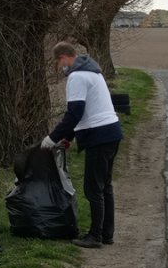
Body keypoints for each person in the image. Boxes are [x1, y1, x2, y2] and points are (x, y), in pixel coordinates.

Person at [42, 41, 123, 248]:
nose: (61, 69)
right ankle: (107, 233)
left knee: (92, 188)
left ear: (63, 58)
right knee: (104, 186)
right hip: (112, 131)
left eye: (59, 64)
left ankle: (95, 236)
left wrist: (52, 138)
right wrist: (68, 138)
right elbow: (84, 113)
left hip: (99, 135)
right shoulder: (93, 72)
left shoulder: (77, 76)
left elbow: (74, 113)